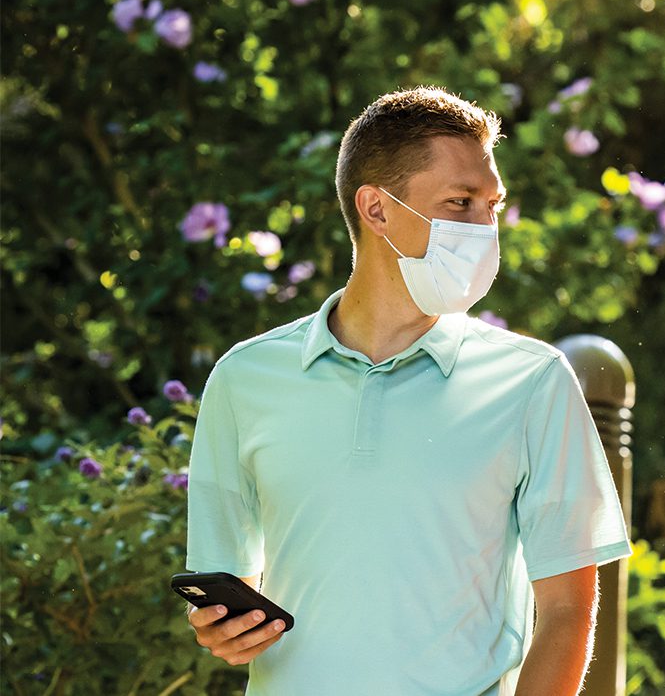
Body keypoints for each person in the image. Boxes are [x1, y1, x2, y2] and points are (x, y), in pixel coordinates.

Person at [183, 87, 631, 694]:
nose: (484, 227)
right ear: (376, 209)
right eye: (460, 202)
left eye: (491, 205)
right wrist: (219, 628)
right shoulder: (244, 380)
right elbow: (225, 587)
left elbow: (567, 615)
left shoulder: (534, 381)